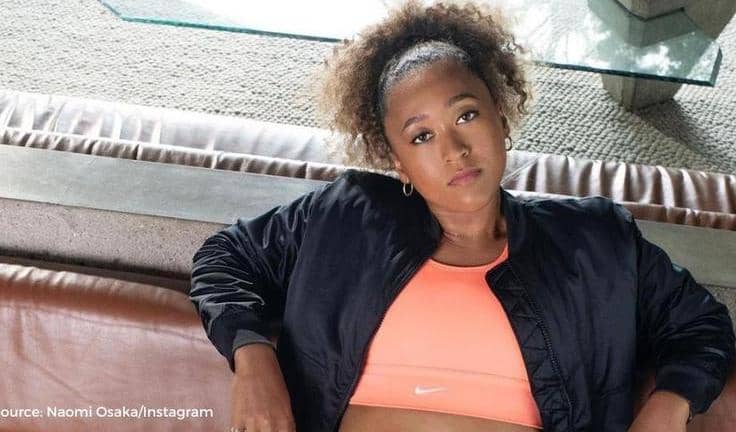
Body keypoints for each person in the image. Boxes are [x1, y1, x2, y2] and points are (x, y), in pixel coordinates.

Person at [189, 1, 735, 431]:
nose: (453, 151)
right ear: (396, 161)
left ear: (501, 115)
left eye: (467, 115)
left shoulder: (593, 239)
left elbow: (701, 326)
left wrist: (666, 409)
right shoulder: (345, 216)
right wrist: (253, 360)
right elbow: (225, 258)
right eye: (420, 136)